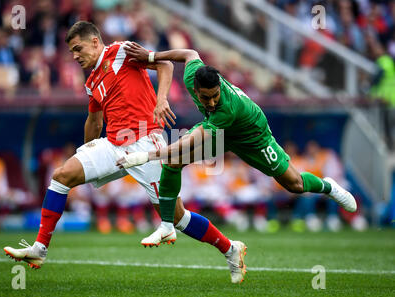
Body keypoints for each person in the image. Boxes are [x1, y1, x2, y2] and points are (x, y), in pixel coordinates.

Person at [4, 21, 247, 284]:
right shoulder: (92, 81)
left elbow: (164, 65)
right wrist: (86, 153)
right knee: (62, 175)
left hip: (145, 143)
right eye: (72, 52)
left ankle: (231, 248)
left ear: (95, 42)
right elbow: (94, 121)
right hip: (113, 145)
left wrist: (161, 99)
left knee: (176, 218)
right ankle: (40, 249)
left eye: (78, 48)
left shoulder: (121, 50)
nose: (75, 56)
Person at [117, 43, 358, 248]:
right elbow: (189, 54)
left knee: (294, 184)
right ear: (195, 89)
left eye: (215, 96)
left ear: (220, 88)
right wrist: (151, 57)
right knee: (172, 162)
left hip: (252, 135)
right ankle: (168, 226)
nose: (211, 101)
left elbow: (189, 141)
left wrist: (146, 156)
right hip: (221, 132)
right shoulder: (194, 75)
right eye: (206, 97)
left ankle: (329, 187)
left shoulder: (225, 109)